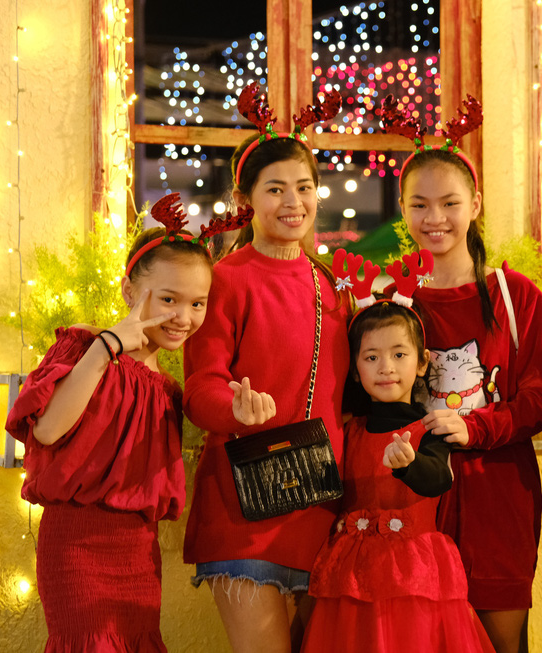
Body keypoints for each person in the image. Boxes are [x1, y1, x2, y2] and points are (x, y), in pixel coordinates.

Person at [5, 193, 238, 651]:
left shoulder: (165, 389)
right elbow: (48, 430)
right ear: (130, 291)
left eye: (198, 303)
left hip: (137, 550)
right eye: (169, 299)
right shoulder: (83, 347)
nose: (184, 317)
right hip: (76, 542)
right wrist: (106, 347)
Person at [380, 95, 542, 653]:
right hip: (412, 499)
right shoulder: (389, 298)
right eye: (420, 205)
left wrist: (476, 428)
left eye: (450, 203)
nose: (435, 219)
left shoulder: (514, 294)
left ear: (475, 204)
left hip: (498, 495)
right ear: (403, 209)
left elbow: (539, 396)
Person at [181, 84, 348, 653]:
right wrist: (234, 406)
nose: (293, 202)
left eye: (304, 187)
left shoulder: (331, 284)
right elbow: (199, 386)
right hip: (243, 504)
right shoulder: (224, 278)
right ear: (245, 197)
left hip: (322, 505)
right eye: (275, 189)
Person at [301, 255, 494, 652]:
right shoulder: (348, 432)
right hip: (350, 581)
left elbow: (439, 477)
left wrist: (408, 465)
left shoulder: (431, 427)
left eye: (399, 354)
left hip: (416, 577)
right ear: (355, 369)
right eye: (371, 357)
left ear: (423, 362)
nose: (386, 367)